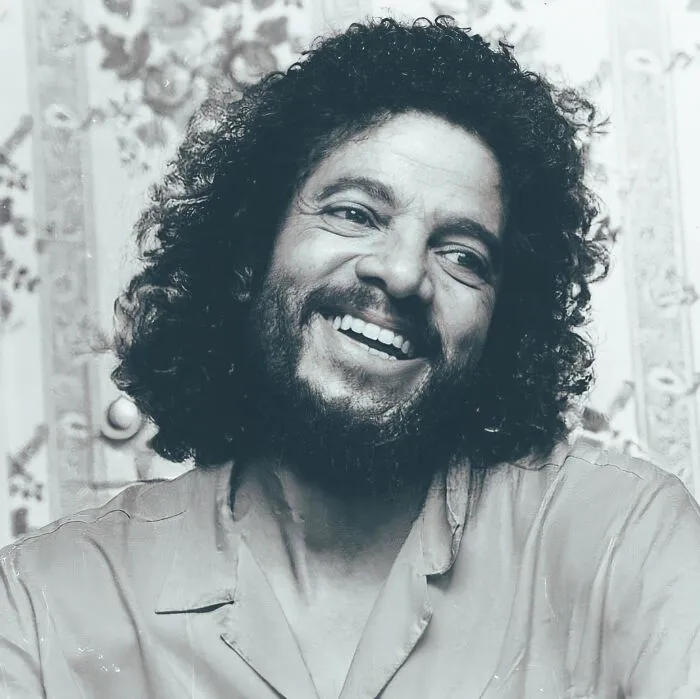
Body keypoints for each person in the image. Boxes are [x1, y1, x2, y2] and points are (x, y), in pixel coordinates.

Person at [2, 16, 699, 699]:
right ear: (249, 252)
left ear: (501, 328)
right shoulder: (42, 608)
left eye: (462, 255)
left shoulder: (625, 540)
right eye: (355, 213)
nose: (402, 272)